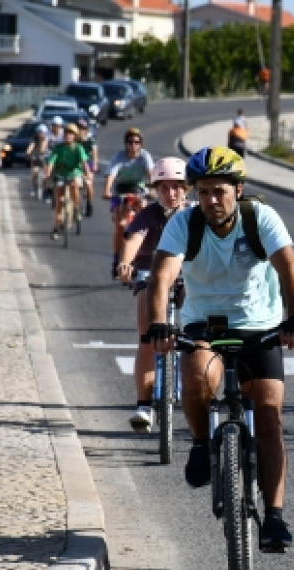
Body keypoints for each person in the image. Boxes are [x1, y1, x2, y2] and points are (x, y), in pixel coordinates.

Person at [144, 146, 294, 551]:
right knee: (197, 377)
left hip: (260, 326)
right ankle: (202, 442)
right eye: (203, 192)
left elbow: (289, 265)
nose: (211, 200)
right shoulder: (185, 223)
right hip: (205, 322)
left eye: (219, 191)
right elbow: (162, 275)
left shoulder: (260, 218)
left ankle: (274, 517)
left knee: (269, 417)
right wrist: (159, 324)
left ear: (238, 189)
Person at [116, 158, 192, 432]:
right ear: (155, 190)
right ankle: (144, 404)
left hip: (188, 278)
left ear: (186, 189)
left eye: (177, 187)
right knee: (146, 336)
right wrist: (125, 263)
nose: (171, 194)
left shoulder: (195, 214)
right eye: (164, 188)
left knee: (200, 334)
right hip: (149, 275)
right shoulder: (148, 214)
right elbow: (134, 240)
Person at [103, 127, 154, 277]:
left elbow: (151, 174)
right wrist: (107, 190)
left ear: (141, 144)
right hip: (121, 192)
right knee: (120, 226)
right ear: (126, 143)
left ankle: (144, 254)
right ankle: (116, 258)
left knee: (145, 215)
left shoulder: (144, 156)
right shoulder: (119, 157)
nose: (133, 145)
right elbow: (111, 174)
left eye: (137, 142)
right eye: (130, 142)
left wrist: (153, 189)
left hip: (138, 191)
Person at [45, 123, 92, 240]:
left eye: (71, 133)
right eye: (66, 133)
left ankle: (76, 208)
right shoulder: (58, 148)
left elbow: (85, 163)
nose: (68, 135)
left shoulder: (78, 148)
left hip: (74, 174)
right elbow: (51, 161)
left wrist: (88, 174)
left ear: (75, 136)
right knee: (59, 203)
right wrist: (47, 173)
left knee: (74, 184)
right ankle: (56, 228)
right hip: (60, 175)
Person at [76, 118, 98, 218]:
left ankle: (89, 204)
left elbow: (94, 153)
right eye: (79, 128)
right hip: (74, 165)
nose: (81, 131)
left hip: (87, 166)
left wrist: (94, 165)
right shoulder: (73, 139)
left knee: (89, 185)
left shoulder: (90, 139)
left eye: (83, 128)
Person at [25, 123, 50, 198]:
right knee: (34, 171)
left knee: (46, 175)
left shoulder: (46, 139)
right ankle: (32, 186)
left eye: (42, 132)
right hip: (36, 157)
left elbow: (43, 148)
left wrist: (44, 152)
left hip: (45, 157)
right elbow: (30, 147)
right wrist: (28, 153)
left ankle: (46, 191)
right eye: (39, 132)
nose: (41, 134)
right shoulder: (34, 139)